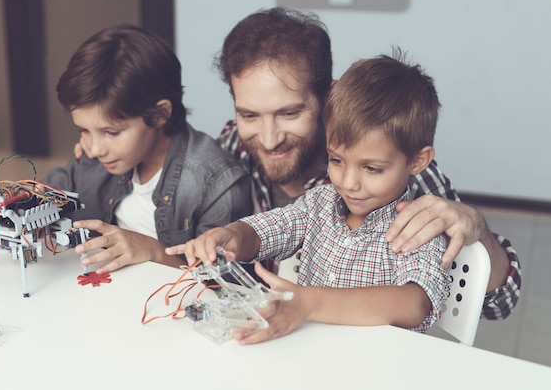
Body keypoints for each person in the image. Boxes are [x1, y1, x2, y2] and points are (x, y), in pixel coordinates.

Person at [213, 7, 520, 320]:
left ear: (327, 98)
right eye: (249, 115)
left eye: (289, 113)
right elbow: (250, 239)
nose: (268, 139)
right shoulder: (230, 149)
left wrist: (476, 228)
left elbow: (497, 304)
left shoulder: (408, 179)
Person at [167, 51, 451, 344]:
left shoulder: (418, 226)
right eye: (337, 160)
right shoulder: (320, 203)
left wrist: (310, 303)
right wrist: (233, 235)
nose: (349, 182)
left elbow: (415, 304)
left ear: (418, 161)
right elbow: (270, 229)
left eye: (372, 168)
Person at [42, 23, 253, 273]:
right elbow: (50, 192)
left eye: (112, 132)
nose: (95, 148)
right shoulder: (94, 154)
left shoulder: (216, 185)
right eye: (84, 130)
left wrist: (152, 251)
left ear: (160, 114)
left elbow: (226, 288)